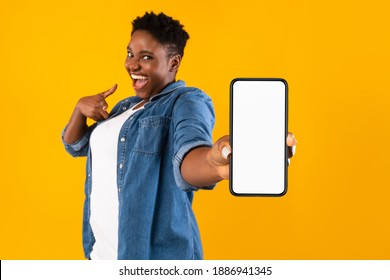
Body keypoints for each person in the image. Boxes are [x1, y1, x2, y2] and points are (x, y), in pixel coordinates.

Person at [62, 12, 297, 260]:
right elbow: (75, 145)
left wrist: (215, 165)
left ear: (174, 63)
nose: (132, 65)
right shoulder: (123, 107)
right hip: (101, 257)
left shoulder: (186, 101)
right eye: (130, 54)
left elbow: (188, 157)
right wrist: (79, 109)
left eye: (146, 57)